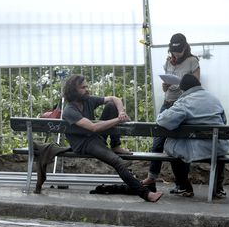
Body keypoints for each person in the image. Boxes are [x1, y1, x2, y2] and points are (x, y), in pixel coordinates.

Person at [62, 74, 163, 202]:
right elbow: (93, 127)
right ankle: (146, 194)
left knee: (111, 105)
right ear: (73, 91)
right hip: (85, 144)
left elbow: (115, 98)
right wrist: (118, 120)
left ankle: (115, 145)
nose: (87, 89)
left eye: (86, 86)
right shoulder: (69, 111)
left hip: (96, 138)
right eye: (83, 87)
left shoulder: (87, 100)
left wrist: (121, 112)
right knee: (117, 162)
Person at [142, 33, 200, 188]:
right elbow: (165, 84)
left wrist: (181, 85)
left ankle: (182, 183)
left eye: (179, 51)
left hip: (183, 104)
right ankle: (152, 178)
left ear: (185, 47)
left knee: (181, 144)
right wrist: (165, 85)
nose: (176, 54)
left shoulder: (192, 61)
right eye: (174, 51)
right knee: (158, 140)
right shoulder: (168, 62)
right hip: (167, 103)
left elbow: (196, 86)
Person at [157, 74, 229, 197]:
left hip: (196, 150)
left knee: (172, 148)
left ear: (183, 89)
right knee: (217, 150)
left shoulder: (185, 101)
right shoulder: (214, 99)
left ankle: (184, 186)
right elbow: (224, 121)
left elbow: (165, 121)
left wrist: (161, 114)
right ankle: (217, 188)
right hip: (217, 147)